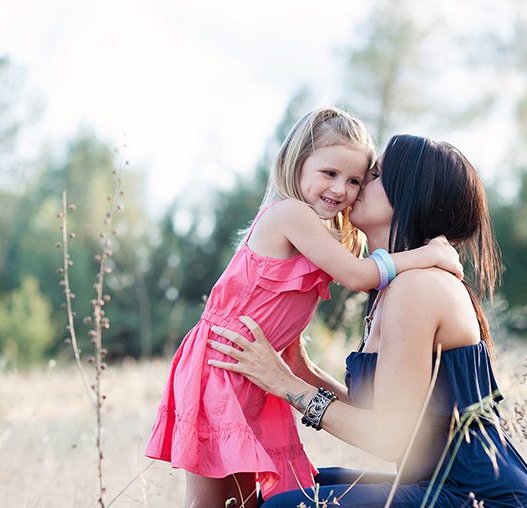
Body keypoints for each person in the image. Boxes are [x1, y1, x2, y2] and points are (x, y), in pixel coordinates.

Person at [145, 112, 462, 507]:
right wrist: (428, 254)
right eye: (329, 173)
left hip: (249, 368)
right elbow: (359, 275)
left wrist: (300, 371)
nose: (341, 190)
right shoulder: (291, 214)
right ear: (296, 164)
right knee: (208, 502)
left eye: (354, 181)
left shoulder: (318, 233)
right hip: (223, 364)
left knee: (244, 502)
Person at [209, 134, 527, 507]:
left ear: (409, 195)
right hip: (434, 484)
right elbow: (382, 413)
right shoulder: (392, 289)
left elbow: (389, 437)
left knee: (283, 506)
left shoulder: (418, 289)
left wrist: (284, 384)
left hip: (478, 496)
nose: (357, 182)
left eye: (373, 175)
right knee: (291, 487)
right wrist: (300, 372)